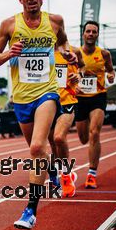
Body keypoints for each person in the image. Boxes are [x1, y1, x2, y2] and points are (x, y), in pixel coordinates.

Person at [0, 0, 76, 230]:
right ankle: (52, 173)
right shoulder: (8, 25)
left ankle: (30, 210)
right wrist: (9, 54)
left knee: (38, 146)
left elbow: (62, 42)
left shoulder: (55, 21)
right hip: (21, 98)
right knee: (39, 151)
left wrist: (66, 52)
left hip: (47, 92)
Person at [75, 21, 115, 189]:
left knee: (94, 133)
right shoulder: (75, 53)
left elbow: (111, 70)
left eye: (94, 32)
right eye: (88, 31)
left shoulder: (104, 54)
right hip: (80, 98)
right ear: (83, 34)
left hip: (98, 97)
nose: (91, 34)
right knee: (83, 138)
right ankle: (91, 170)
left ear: (97, 34)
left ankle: (92, 174)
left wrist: (111, 76)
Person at [48, 44, 84, 197]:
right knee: (52, 145)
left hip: (67, 100)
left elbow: (82, 66)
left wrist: (80, 76)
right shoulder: (42, 50)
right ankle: (55, 173)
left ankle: (66, 176)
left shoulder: (73, 50)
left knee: (59, 137)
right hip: (47, 103)